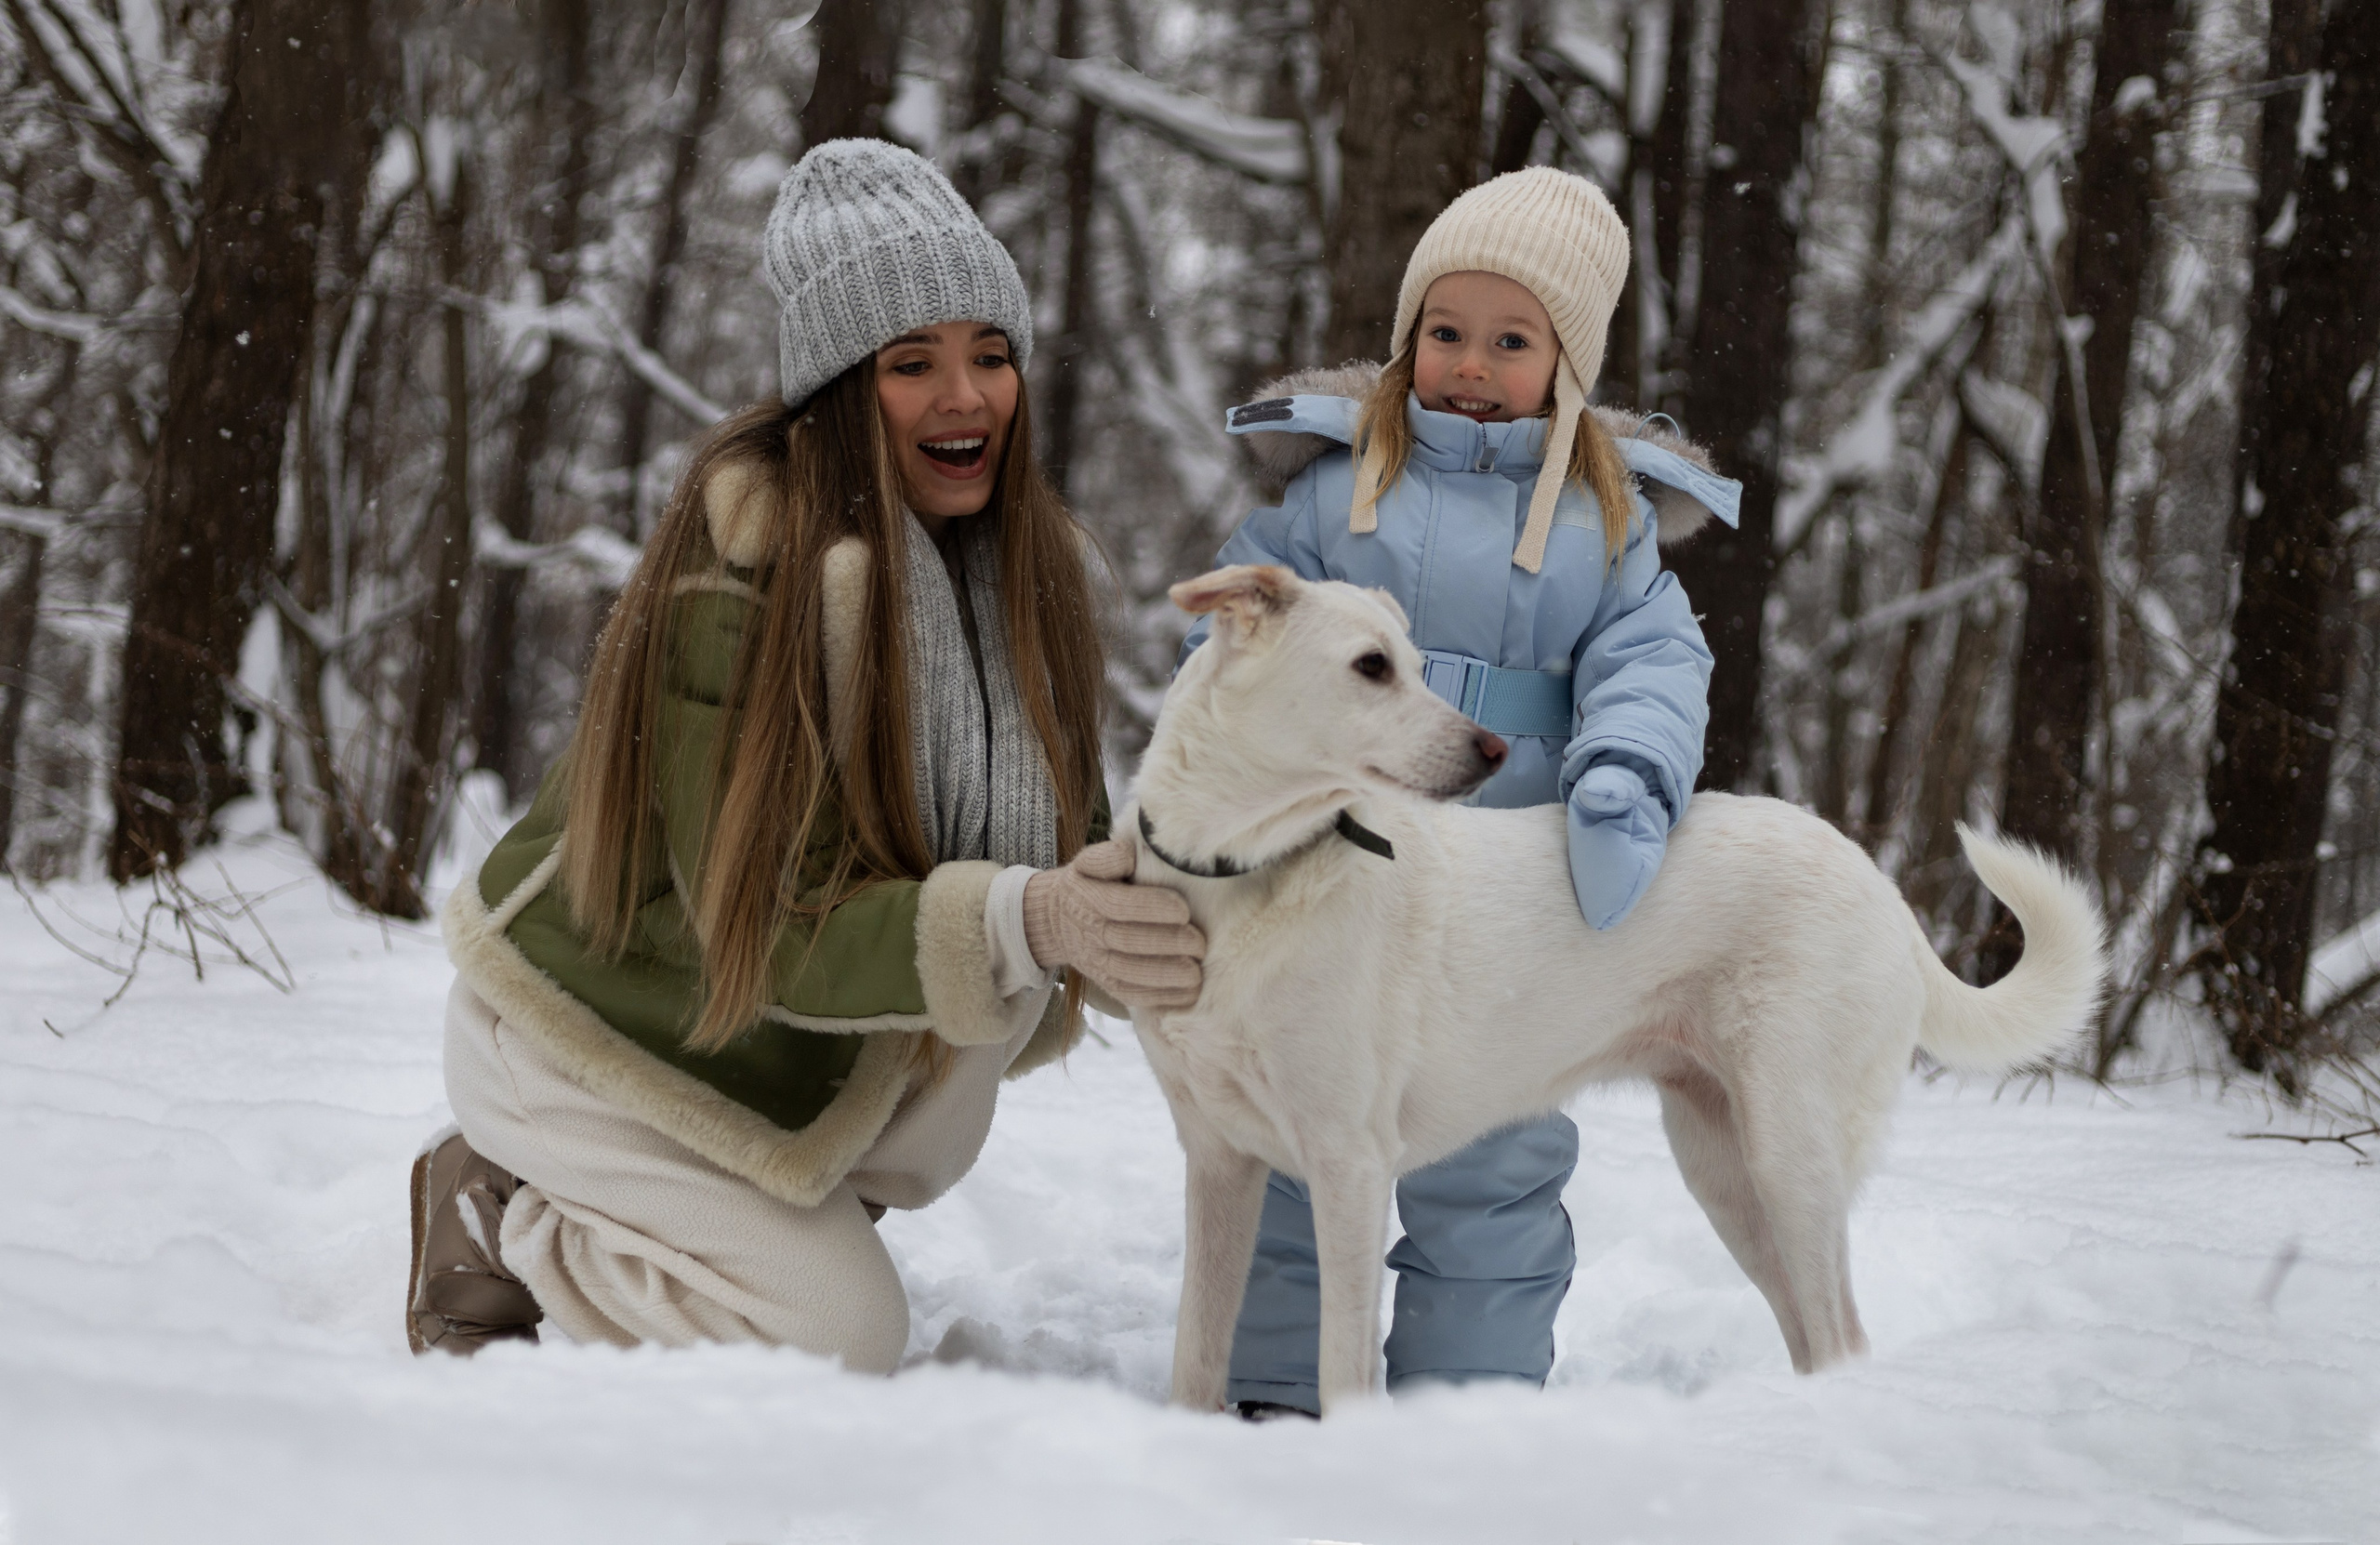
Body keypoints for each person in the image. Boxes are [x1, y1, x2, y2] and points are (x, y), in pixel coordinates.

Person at [405, 139, 1204, 1366]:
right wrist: (1032, 916)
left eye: (991, 354)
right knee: (838, 1336)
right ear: (839, 390)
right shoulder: (738, 589)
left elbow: (1070, 853)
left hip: (748, 1046)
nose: (967, 396)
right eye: (912, 364)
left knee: (990, 982)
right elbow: (777, 930)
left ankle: (761, 1209)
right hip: (600, 1044)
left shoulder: (1013, 581)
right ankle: (502, 1210)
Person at [1181, 165, 1741, 1417]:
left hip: (1507, 889)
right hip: (1322, 871)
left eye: (1510, 340)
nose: (1471, 365)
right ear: (1407, 339)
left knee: (1497, 1148)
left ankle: (1463, 1410)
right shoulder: (1333, 495)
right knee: (1287, 1119)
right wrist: (1210, 732)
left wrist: (1621, 781)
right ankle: (1270, 1391)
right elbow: (1238, 629)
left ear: (1566, 363)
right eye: (1445, 332)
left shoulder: (1607, 520)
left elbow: (1653, 659)